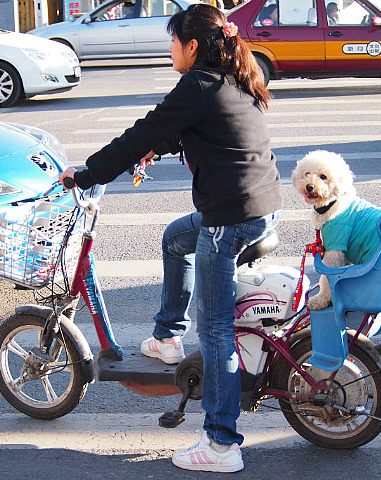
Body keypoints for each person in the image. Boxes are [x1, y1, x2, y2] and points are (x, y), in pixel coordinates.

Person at [59, 4, 282, 473]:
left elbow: (144, 129)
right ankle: (166, 338)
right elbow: (196, 130)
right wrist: (155, 149)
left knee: (216, 330)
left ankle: (221, 444)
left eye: (173, 41)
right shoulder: (234, 78)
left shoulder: (196, 84)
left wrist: (86, 173)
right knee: (175, 238)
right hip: (259, 208)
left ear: (192, 46)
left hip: (228, 220)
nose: (170, 49)